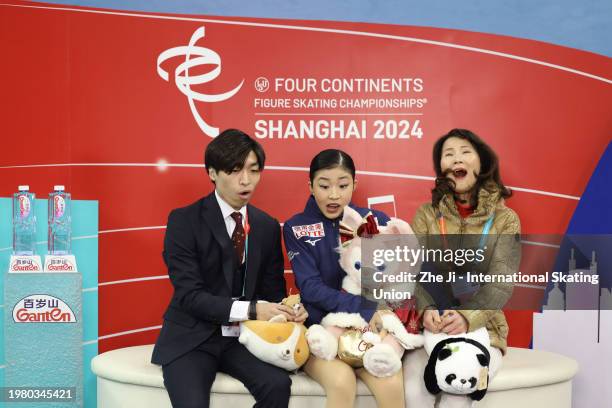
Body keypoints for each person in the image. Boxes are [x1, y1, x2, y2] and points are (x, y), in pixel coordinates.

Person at [151, 129, 308, 408]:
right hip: (192, 337)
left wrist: (288, 310)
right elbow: (189, 296)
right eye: (235, 170)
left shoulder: (266, 226)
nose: (246, 180)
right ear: (212, 172)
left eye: (253, 170)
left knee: (277, 386)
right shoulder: (184, 221)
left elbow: (272, 292)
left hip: (243, 339)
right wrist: (251, 309)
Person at [403, 128, 521, 408]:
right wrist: (425, 309)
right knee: (412, 388)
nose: (457, 159)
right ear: (442, 169)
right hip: (434, 327)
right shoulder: (426, 214)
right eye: (449, 154)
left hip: (485, 328)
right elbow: (414, 272)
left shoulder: (506, 219)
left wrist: (468, 317)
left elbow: (502, 282)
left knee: (458, 386)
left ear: (481, 163)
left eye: (465, 152)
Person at [283, 149, 405, 408]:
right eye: (324, 186)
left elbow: (395, 275)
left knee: (392, 382)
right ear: (311, 186)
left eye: (343, 185)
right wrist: (364, 307)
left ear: (355, 184)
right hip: (320, 332)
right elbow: (310, 288)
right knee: (341, 381)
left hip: (370, 333)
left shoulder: (373, 221)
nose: (334, 195)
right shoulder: (297, 227)